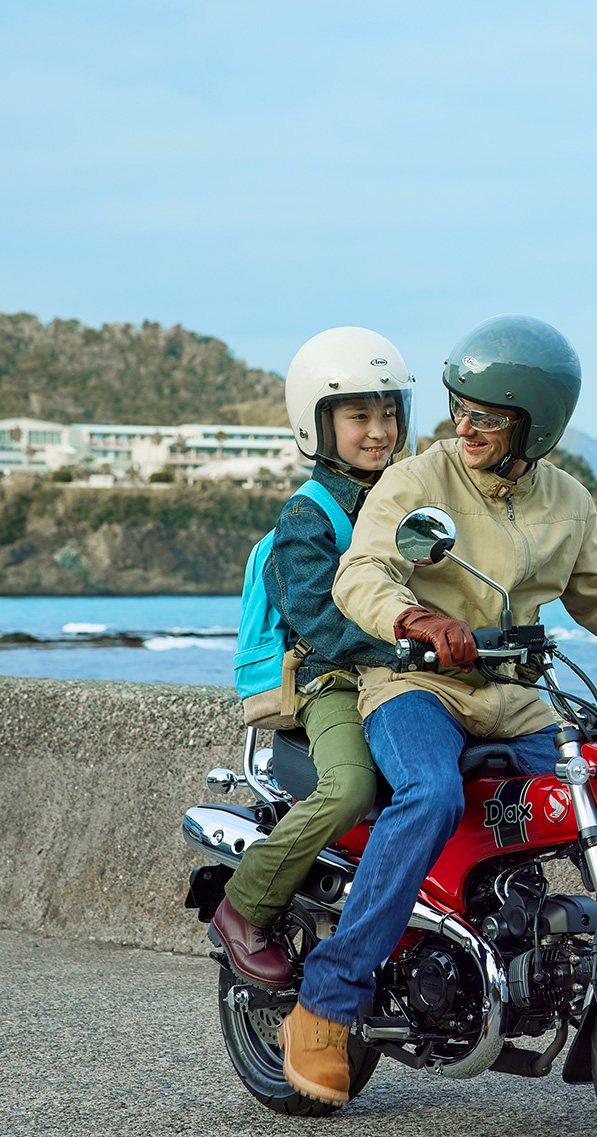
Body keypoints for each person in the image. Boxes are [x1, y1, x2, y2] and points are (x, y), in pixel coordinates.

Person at [277, 314, 597, 1104]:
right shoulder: (417, 483)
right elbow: (362, 573)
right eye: (459, 407)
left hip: (515, 698)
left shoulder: (568, 501)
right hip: (416, 686)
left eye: (486, 416)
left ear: (533, 426)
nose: (465, 426)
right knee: (430, 793)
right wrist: (415, 619)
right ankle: (327, 1003)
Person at [210, 326, 412, 987]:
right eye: (358, 416)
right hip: (333, 679)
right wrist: (406, 643)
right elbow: (319, 619)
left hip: (407, 673)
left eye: (389, 413)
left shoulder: (409, 498)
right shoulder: (309, 516)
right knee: (351, 786)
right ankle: (244, 906)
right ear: (317, 424)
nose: (378, 431)